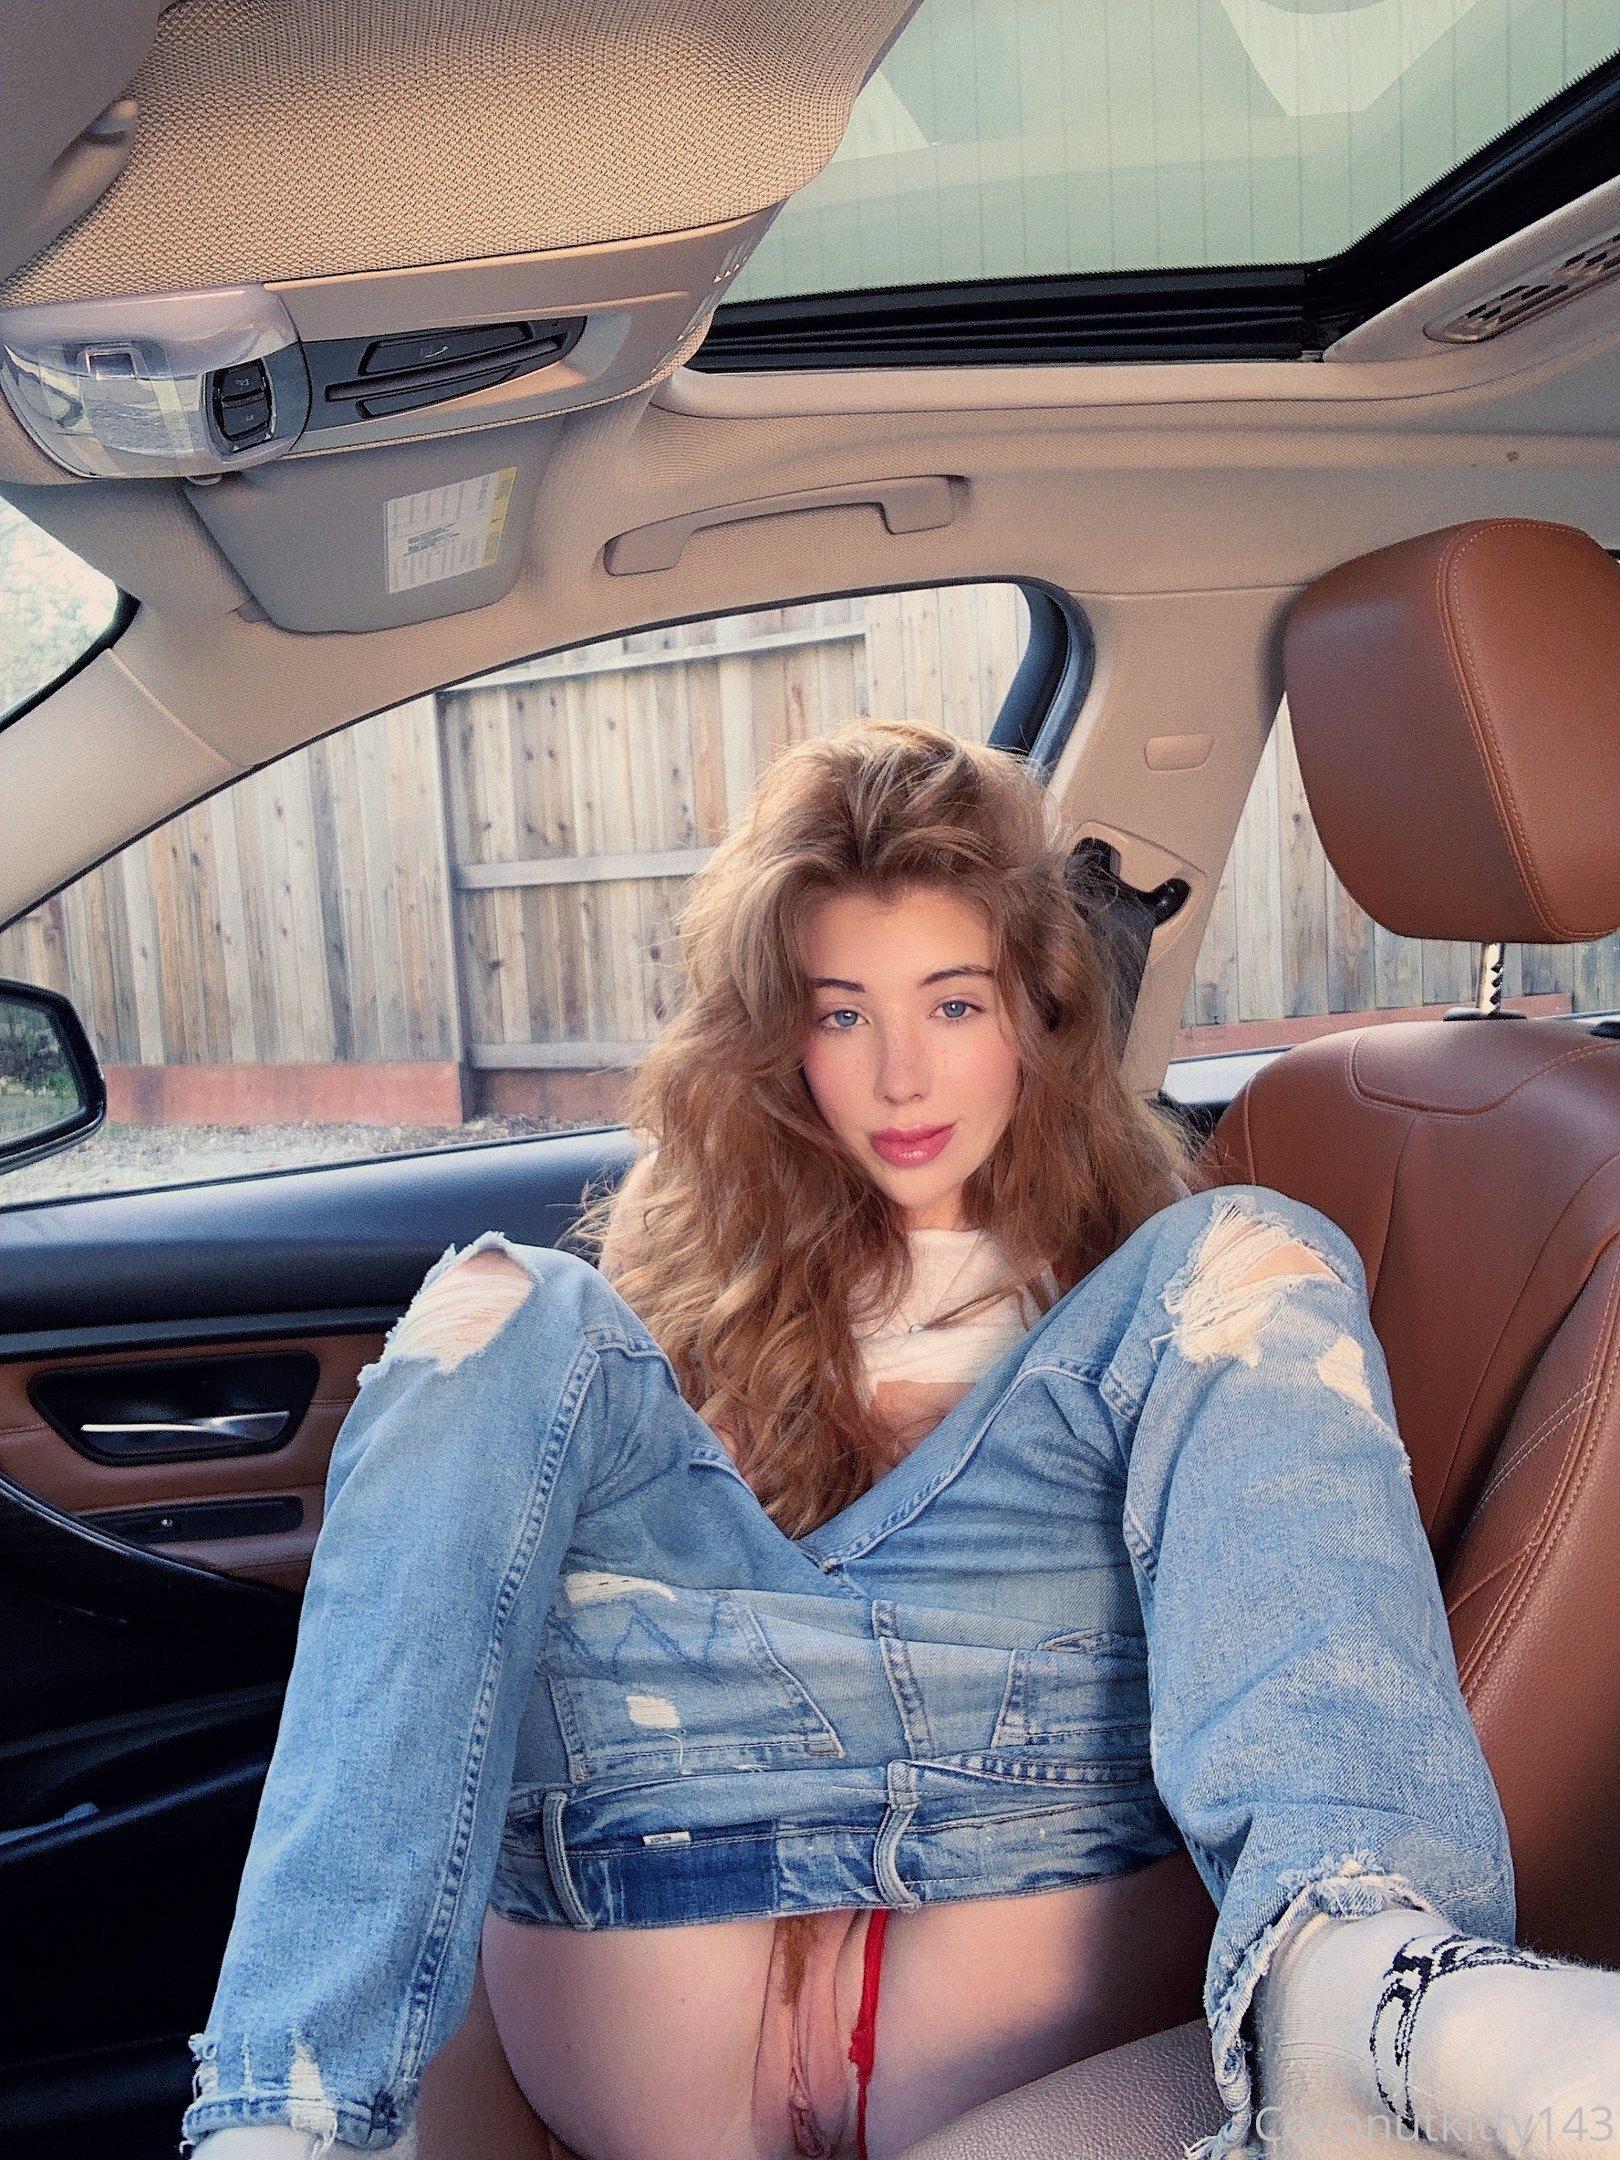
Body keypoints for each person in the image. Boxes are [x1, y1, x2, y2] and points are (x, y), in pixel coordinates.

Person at [182, 720, 1620, 2160]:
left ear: (1038, 1015)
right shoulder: (681, 1282)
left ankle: (1362, 1976)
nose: (901, 1079)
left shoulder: (1145, 1301)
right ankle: (285, 2119)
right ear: (775, 1040)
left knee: (1253, 1247)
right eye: (842, 1016)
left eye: (952, 1004)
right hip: (651, 1915)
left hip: (1009, 1897)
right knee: (498, 1300)